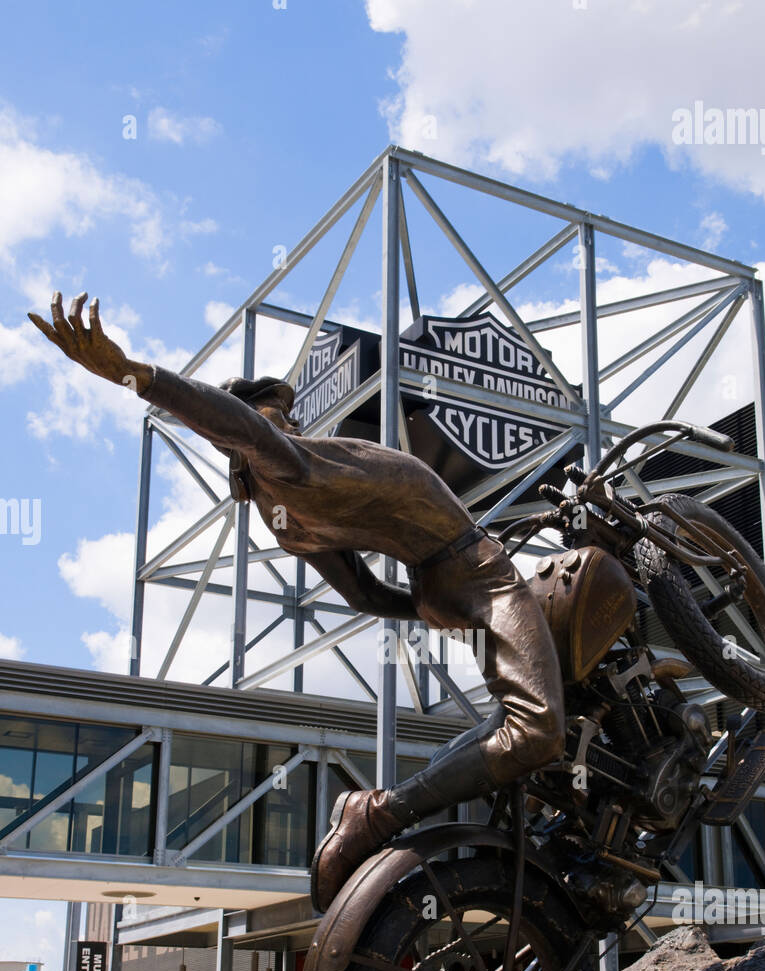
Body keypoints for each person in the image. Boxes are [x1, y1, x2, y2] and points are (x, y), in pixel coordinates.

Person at [29, 292, 566, 911]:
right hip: (477, 575)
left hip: (443, 584)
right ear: (246, 436)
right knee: (539, 729)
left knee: (545, 703)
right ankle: (378, 813)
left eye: (284, 417)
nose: (286, 425)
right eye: (271, 419)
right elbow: (230, 421)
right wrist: (129, 372)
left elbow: (365, 594)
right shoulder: (286, 465)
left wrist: (421, 607)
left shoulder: (285, 518)